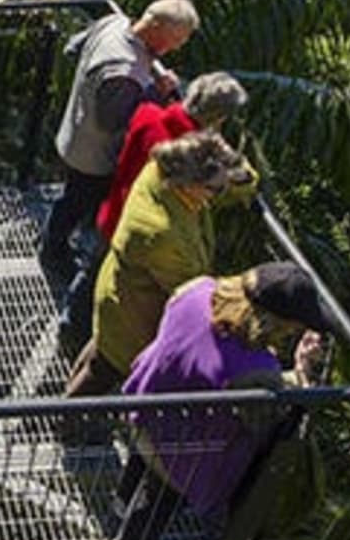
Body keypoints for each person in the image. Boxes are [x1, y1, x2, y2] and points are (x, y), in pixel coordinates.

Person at [107, 262, 331, 540]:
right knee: (160, 496)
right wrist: (302, 376)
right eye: (290, 326)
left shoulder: (198, 289)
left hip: (144, 403)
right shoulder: (256, 367)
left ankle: (120, 507)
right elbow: (261, 417)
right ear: (272, 321)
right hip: (183, 445)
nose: (291, 333)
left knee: (141, 459)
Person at [59, 72, 249, 349]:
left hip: (113, 212)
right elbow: (215, 189)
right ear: (218, 118)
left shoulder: (149, 114)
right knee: (118, 290)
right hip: (138, 231)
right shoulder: (187, 156)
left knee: (91, 272)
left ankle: (70, 324)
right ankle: (88, 338)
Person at [64, 129, 258, 397]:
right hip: (133, 316)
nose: (219, 194)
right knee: (103, 369)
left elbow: (223, 179)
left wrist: (241, 176)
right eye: (215, 189)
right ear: (190, 184)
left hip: (120, 296)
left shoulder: (164, 170)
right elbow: (195, 293)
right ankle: (66, 421)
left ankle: (67, 406)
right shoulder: (162, 234)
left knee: (100, 353)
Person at [40, 0, 199, 288]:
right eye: (175, 39)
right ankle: (52, 252)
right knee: (75, 202)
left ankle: (54, 243)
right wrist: (157, 92)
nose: (176, 48)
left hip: (74, 133)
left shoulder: (113, 23)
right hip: (94, 157)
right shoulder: (124, 70)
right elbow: (112, 120)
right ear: (155, 25)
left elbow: (73, 47)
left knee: (71, 197)